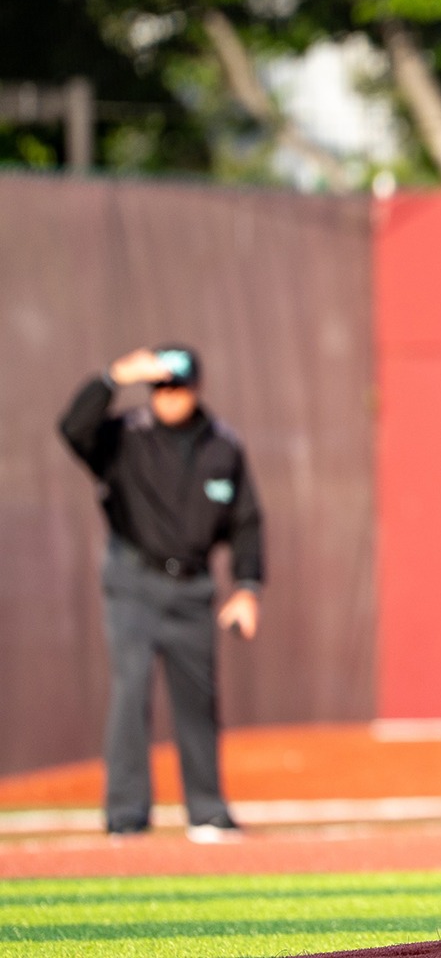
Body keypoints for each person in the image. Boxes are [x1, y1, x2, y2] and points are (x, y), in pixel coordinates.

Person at [57, 346, 262, 842]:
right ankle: (127, 815)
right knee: (130, 694)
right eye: (160, 388)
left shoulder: (223, 446)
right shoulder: (125, 436)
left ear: (195, 389)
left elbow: (246, 523)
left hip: (192, 587)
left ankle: (207, 811)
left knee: (198, 701)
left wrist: (247, 587)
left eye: (176, 387)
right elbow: (73, 429)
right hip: (134, 583)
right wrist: (112, 377)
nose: (168, 397)